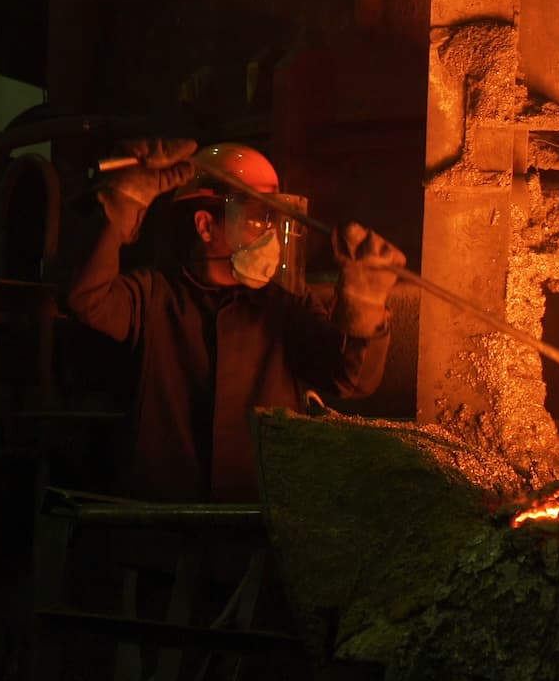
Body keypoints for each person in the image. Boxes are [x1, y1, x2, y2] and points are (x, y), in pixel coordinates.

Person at [64, 138, 405, 503]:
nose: (270, 235)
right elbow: (86, 299)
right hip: (164, 526)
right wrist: (118, 210)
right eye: (257, 217)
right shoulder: (154, 297)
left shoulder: (285, 304)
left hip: (257, 523)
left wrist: (365, 307)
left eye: (273, 219)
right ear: (205, 225)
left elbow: (352, 380)